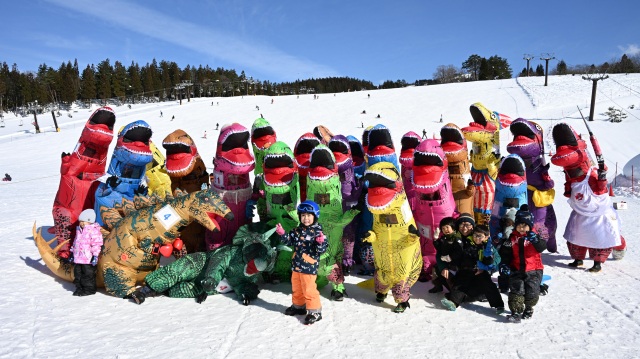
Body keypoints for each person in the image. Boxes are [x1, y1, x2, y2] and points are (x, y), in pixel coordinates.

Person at [275, 201, 327, 325]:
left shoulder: (318, 233)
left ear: (315, 216)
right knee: (297, 287)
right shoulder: (297, 231)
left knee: (309, 289)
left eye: (309, 215)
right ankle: (298, 306)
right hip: (297, 265)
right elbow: (289, 241)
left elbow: (321, 250)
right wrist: (282, 234)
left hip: (309, 266)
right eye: (303, 215)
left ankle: (315, 311)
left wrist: (320, 243)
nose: (306, 218)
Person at [440, 217, 505, 314]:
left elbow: (496, 258)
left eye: (468, 225)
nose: (465, 228)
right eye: (462, 225)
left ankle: (498, 305)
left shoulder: (487, 245)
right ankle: (453, 302)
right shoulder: (463, 240)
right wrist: (448, 262)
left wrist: (486, 266)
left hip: (480, 270)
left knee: (488, 285)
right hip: (465, 269)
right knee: (459, 284)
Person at [499, 204, 547, 321]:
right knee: (516, 291)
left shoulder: (534, 237)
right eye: (519, 225)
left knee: (532, 292)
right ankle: (516, 312)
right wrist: (504, 264)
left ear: (530, 226)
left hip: (534, 270)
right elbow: (505, 254)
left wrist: (535, 240)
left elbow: (542, 247)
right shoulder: (512, 238)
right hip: (517, 270)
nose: (521, 228)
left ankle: (529, 308)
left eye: (524, 225)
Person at [69, 209, 103, 296]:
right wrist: (72, 253)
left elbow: (97, 244)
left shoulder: (94, 231)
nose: (82, 223)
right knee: (78, 274)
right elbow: (75, 242)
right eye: (81, 221)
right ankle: (79, 288)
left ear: (90, 221)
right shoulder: (79, 230)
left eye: (85, 221)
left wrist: (95, 256)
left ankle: (89, 290)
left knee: (88, 275)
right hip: (78, 258)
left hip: (88, 259)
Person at [430, 217, 462, 293]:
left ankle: (454, 293)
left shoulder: (457, 238)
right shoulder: (444, 238)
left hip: (455, 264)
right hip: (446, 262)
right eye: (443, 228)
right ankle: (438, 286)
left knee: (449, 276)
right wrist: (435, 239)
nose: (445, 230)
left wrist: (450, 257)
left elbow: (459, 251)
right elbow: (439, 249)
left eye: (447, 227)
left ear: (453, 227)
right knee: (435, 270)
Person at [495, 207, 517, 293]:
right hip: (503, 255)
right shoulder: (501, 230)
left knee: (513, 272)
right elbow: (497, 243)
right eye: (506, 221)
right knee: (503, 271)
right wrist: (497, 239)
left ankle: (515, 286)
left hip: (513, 256)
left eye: (510, 221)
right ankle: (503, 287)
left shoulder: (516, 232)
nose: (508, 223)